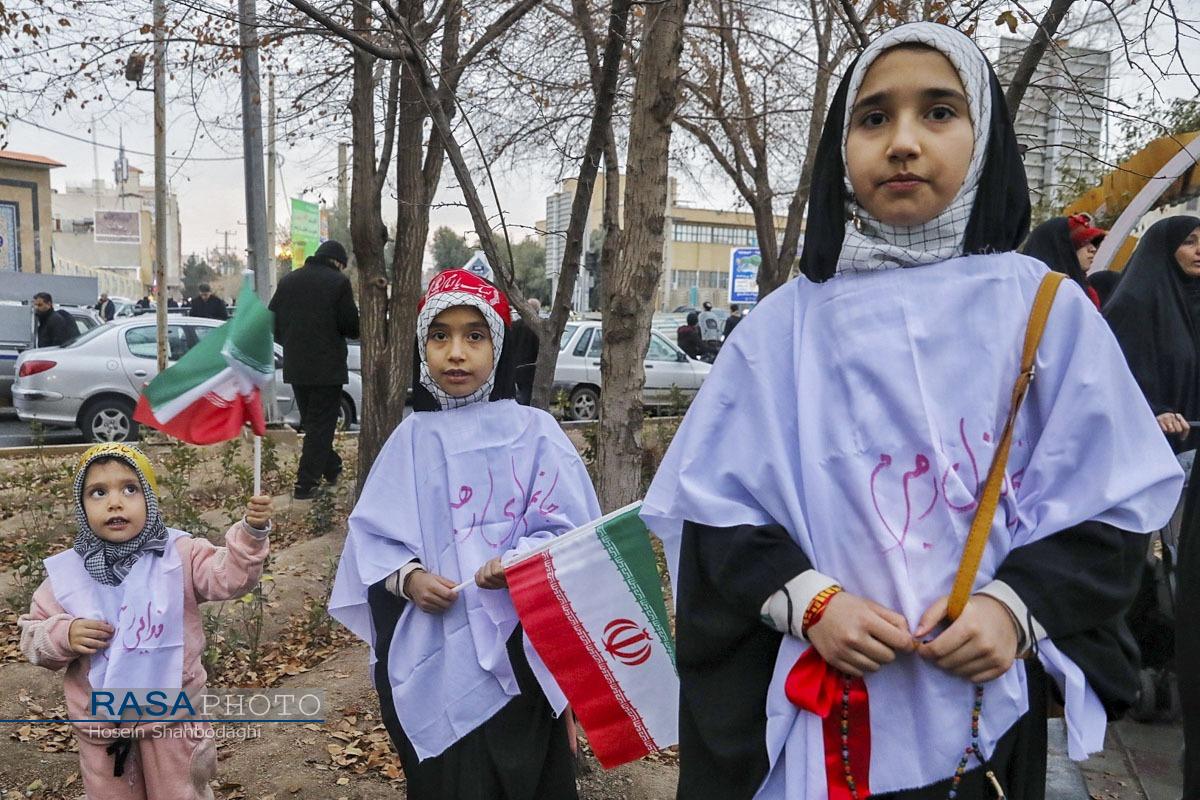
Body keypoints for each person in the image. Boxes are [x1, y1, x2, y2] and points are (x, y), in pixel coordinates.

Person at [640, 23, 1183, 800]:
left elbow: (1112, 506)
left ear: (984, 136)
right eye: (873, 118)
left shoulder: (1047, 313)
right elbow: (718, 519)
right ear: (840, 149)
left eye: (938, 112)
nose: (902, 142)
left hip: (982, 717)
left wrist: (1013, 609)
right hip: (818, 715)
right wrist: (812, 603)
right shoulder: (781, 331)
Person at [328, 269, 600, 799]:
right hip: (436, 651)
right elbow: (373, 540)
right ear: (422, 346)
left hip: (521, 649)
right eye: (440, 336)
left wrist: (517, 564)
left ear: (498, 345)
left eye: (474, 336)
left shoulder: (536, 433)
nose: (456, 353)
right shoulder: (410, 439)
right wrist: (410, 580)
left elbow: (572, 532)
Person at [18, 443, 273, 799]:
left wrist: (251, 535)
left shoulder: (180, 554)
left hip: (172, 719)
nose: (114, 502)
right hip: (103, 726)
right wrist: (64, 634)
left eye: (130, 489)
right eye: (98, 492)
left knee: (179, 791)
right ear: (81, 504)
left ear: (149, 499)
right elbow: (32, 636)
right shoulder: (68, 575)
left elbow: (228, 576)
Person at [1103, 215, 1200, 796]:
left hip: (1191, 459)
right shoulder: (1136, 304)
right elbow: (1112, 380)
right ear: (1165, 248)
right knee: (1155, 573)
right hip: (1150, 463)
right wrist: (1153, 410)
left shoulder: (1193, 304)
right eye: (1190, 241)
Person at [269, 240, 360, 500]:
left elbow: (272, 321)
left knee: (314, 425)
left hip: (296, 367)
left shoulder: (289, 281)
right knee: (321, 426)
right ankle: (305, 485)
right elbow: (351, 327)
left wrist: (292, 342)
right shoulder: (338, 283)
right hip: (327, 369)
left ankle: (333, 467)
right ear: (338, 262)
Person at [1023, 214, 1107, 308]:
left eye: (1093, 243)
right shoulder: (1030, 299)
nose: (1093, 249)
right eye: (1082, 242)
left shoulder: (1085, 292)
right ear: (1060, 249)